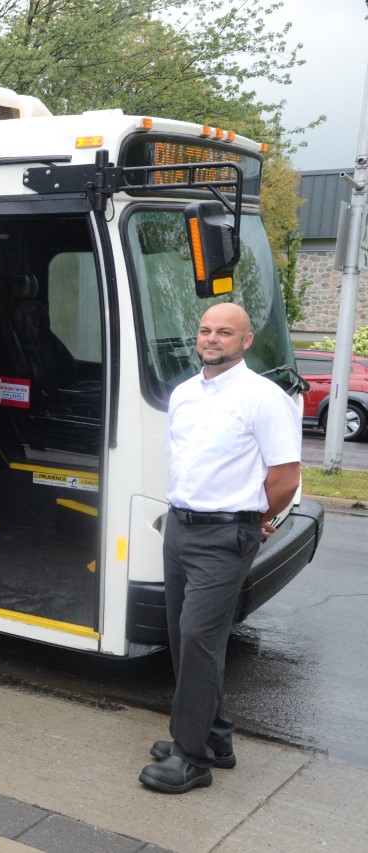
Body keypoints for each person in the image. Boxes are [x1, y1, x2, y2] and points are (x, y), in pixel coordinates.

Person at [139, 301, 301, 794]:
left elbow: (286, 478)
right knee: (180, 635)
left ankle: (191, 759)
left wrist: (255, 519)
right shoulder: (185, 394)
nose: (212, 339)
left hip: (224, 536)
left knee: (199, 639)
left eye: (225, 332)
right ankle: (213, 738)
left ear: (245, 341)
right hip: (181, 527)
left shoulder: (263, 397)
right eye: (206, 330)